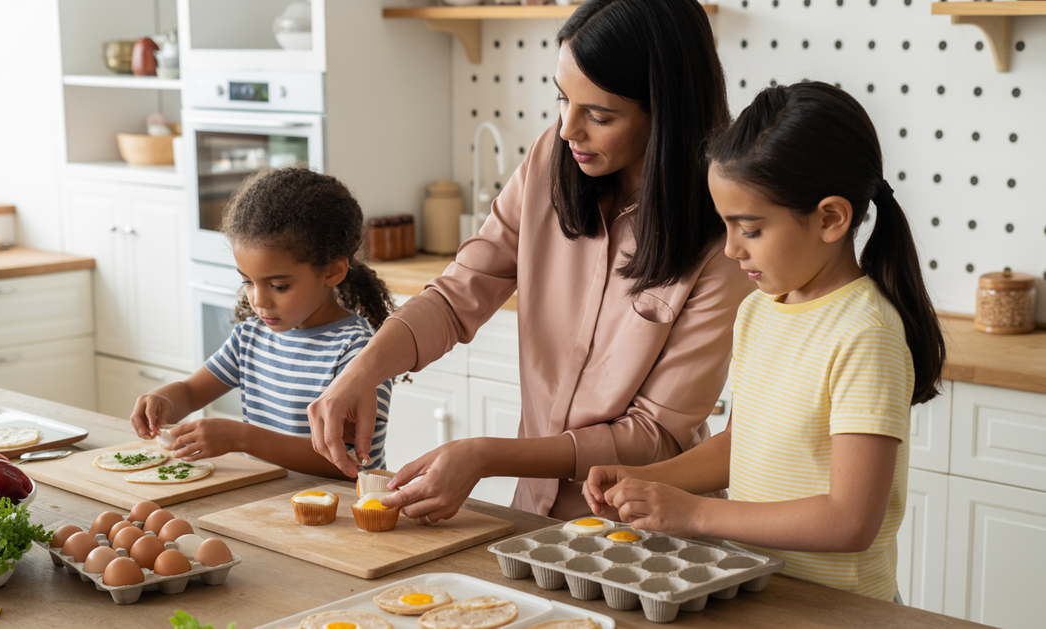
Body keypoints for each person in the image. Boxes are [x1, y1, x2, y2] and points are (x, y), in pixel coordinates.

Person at [306, 0, 752, 522]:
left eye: (600, 115)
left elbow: (654, 436)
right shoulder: (551, 161)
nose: (568, 129)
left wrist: (486, 455)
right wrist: (364, 370)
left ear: (667, 111)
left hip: (643, 531)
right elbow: (456, 297)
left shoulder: (724, 236)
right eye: (563, 99)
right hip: (531, 520)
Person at [583, 81, 947, 601]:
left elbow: (850, 521)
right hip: (757, 591)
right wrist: (644, 479)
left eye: (749, 230)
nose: (731, 249)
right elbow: (740, 444)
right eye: (726, 226)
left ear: (830, 219)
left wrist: (698, 513)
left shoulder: (866, 334)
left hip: (837, 610)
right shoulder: (758, 311)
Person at [130, 167, 396, 476]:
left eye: (279, 286)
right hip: (265, 505)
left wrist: (241, 438)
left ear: (332, 271)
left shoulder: (360, 352)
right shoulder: (250, 338)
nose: (258, 300)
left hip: (344, 514)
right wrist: (161, 401)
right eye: (248, 282)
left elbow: (345, 463)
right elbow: (191, 393)